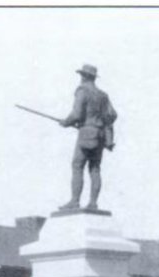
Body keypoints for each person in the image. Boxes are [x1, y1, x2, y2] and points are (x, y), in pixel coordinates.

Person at [58, 64, 117, 212]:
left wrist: (66, 122)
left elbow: (77, 114)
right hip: (100, 135)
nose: (80, 78)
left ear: (84, 76)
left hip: (86, 134)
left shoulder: (82, 90)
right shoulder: (103, 95)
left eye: (81, 76)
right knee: (95, 169)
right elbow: (112, 115)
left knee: (77, 166)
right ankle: (93, 203)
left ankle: (74, 201)